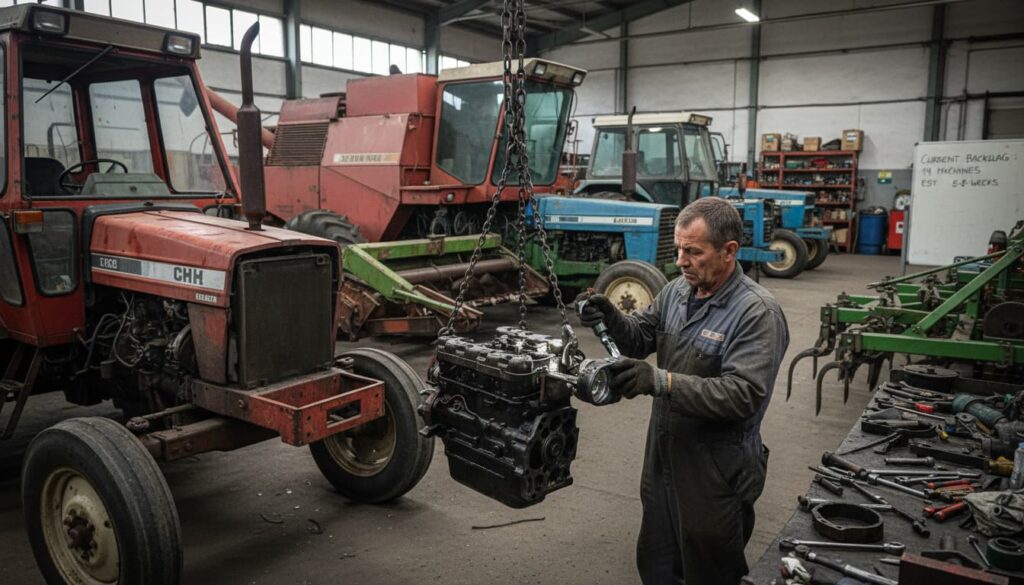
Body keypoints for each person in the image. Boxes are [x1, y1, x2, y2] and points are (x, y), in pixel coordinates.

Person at [578, 197, 789, 585]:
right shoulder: (677, 292)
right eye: (678, 249)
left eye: (693, 251)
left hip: (717, 469)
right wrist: (611, 317)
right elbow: (640, 337)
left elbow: (743, 395)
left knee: (709, 570)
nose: (681, 260)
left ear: (728, 252)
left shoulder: (757, 312)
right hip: (663, 458)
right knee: (657, 565)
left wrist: (661, 381)